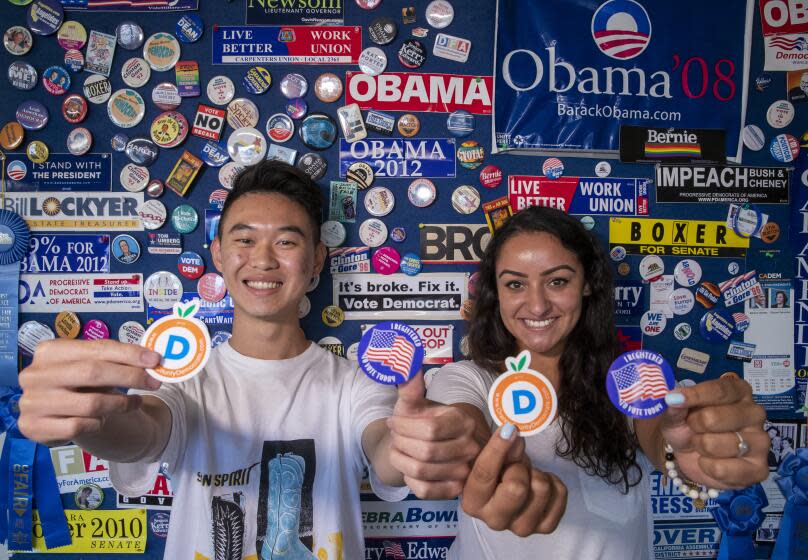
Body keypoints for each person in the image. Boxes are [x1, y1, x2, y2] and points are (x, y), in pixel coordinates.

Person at [17, 161, 480, 558]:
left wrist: (413, 447)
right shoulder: (179, 379)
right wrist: (94, 420)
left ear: (317, 259)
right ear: (218, 254)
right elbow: (142, 432)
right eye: (244, 239)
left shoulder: (355, 383)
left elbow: (385, 451)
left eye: (286, 241)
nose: (262, 260)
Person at [423, 206, 769, 559]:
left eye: (557, 281)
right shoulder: (467, 380)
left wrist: (691, 451)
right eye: (515, 284)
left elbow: (664, 436)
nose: (538, 305)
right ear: (496, 294)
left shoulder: (629, 377)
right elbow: (461, 431)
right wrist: (470, 460)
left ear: (587, 283)